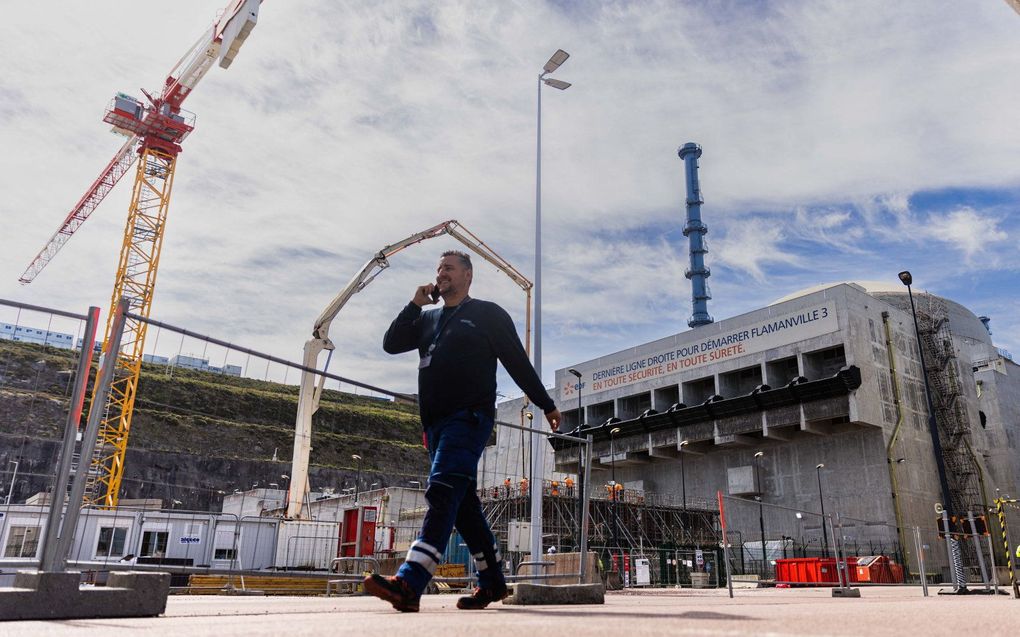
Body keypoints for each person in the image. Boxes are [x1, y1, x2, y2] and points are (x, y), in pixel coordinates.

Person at [364, 250, 561, 613]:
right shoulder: (427, 319)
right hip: (435, 426)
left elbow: (517, 360)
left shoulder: (487, 314)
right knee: (464, 506)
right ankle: (493, 582)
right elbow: (391, 344)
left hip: (469, 417)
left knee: (441, 490)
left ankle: (411, 581)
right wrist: (414, 304)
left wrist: (545, 403)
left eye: (449, 269)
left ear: (468, 276)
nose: (441, 274)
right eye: (438, 268)